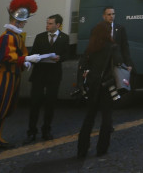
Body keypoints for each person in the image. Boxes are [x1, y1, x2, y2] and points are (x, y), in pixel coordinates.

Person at [0, 0, 44, 156]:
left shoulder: (15, 36)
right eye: (24, 21)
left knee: (5, 109)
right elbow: (4, 57)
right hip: (4, 77)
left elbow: (17, 56)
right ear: (17, 21)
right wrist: (26, 59)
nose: (25, 23)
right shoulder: (7, 37)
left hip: (12, 77)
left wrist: (24, 62)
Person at [77, 21, 123, 158]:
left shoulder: (90, 47)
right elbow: (119, 62)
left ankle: (82, 149)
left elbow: (83, 65)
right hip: (106, 86)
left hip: (92, 85)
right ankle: (102, 148)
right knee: (106, 118)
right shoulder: (112, 47)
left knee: (89, 118)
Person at [26, 13, 68, 142]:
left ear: (58, 25)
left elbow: (67, 54)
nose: (47, 25)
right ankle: (32, 131)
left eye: (50, 23)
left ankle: (46, 130)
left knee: (50, 104)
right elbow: (33, 53)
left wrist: (59, 58)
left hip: (54, 76)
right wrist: (37, 58)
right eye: (47, 23)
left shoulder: (64, 38)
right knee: (35, 104)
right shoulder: (40, 37)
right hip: (39, 74)